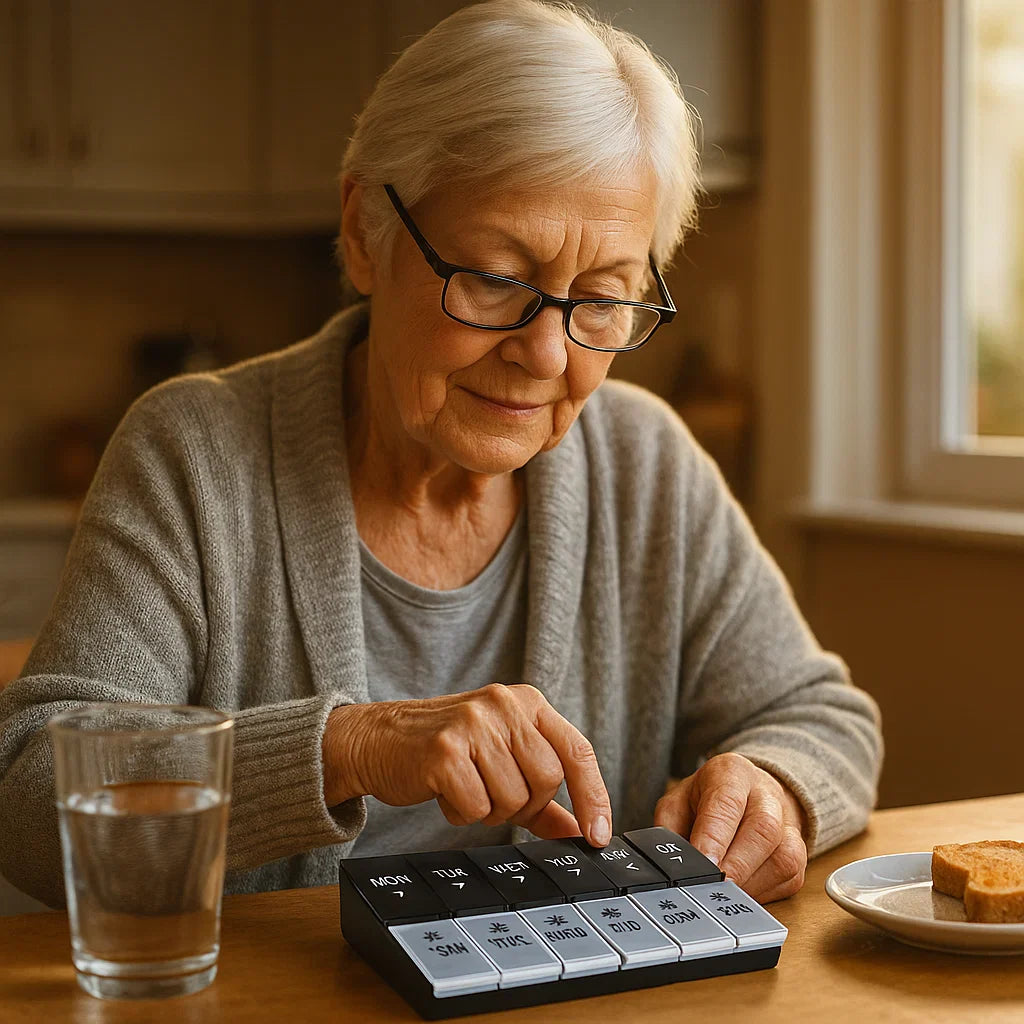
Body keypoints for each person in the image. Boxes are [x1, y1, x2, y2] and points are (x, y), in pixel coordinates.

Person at [0, 0, 881, 909]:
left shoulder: (646, 463)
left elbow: (823, 717)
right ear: (363, 231)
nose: (546, 355)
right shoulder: (197, 454)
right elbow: (29, 794)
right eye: (498, 281)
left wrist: (773, 785)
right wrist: (349, 746)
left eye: (603, 298)